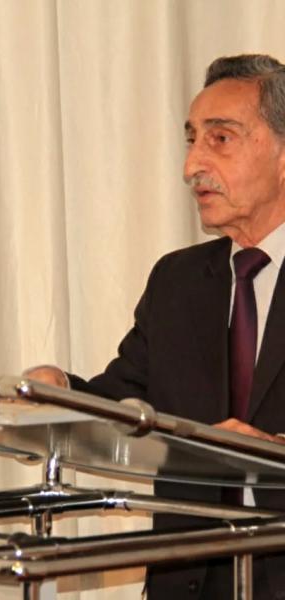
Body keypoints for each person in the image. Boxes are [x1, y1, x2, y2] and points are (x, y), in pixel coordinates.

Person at [26, 54, 285, 599]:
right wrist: (59, 393)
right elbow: (124, 402)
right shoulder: (177, 281)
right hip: (186, 581)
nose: (191, 166)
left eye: (220, 139)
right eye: (191, 140)